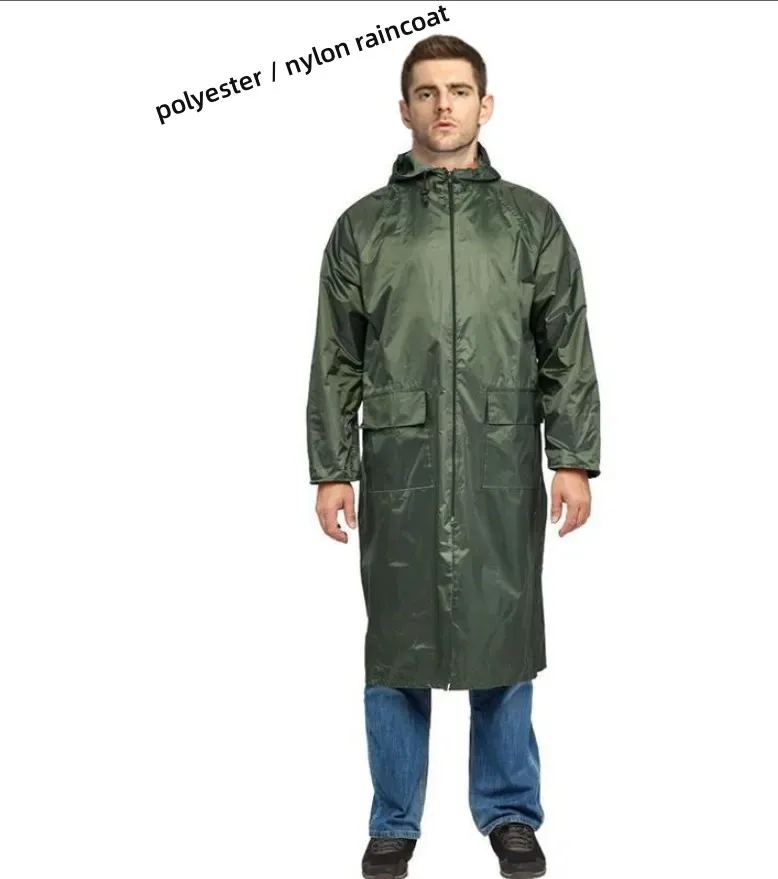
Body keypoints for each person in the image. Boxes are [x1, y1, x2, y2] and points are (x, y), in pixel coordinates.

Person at [305, 34, 601, 879]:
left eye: (460, 91)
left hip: (500, 457)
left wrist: (572, 456)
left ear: (486, 105)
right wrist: (333, 466)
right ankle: (393, 821)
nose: (444, 106)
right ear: (404, 108)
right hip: (400, 463)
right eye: (428, 92)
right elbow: (336, 356)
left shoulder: (531, 222)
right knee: (397, 643)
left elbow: (566, 345)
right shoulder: (363, 226)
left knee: (504, 633)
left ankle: (509, 813)